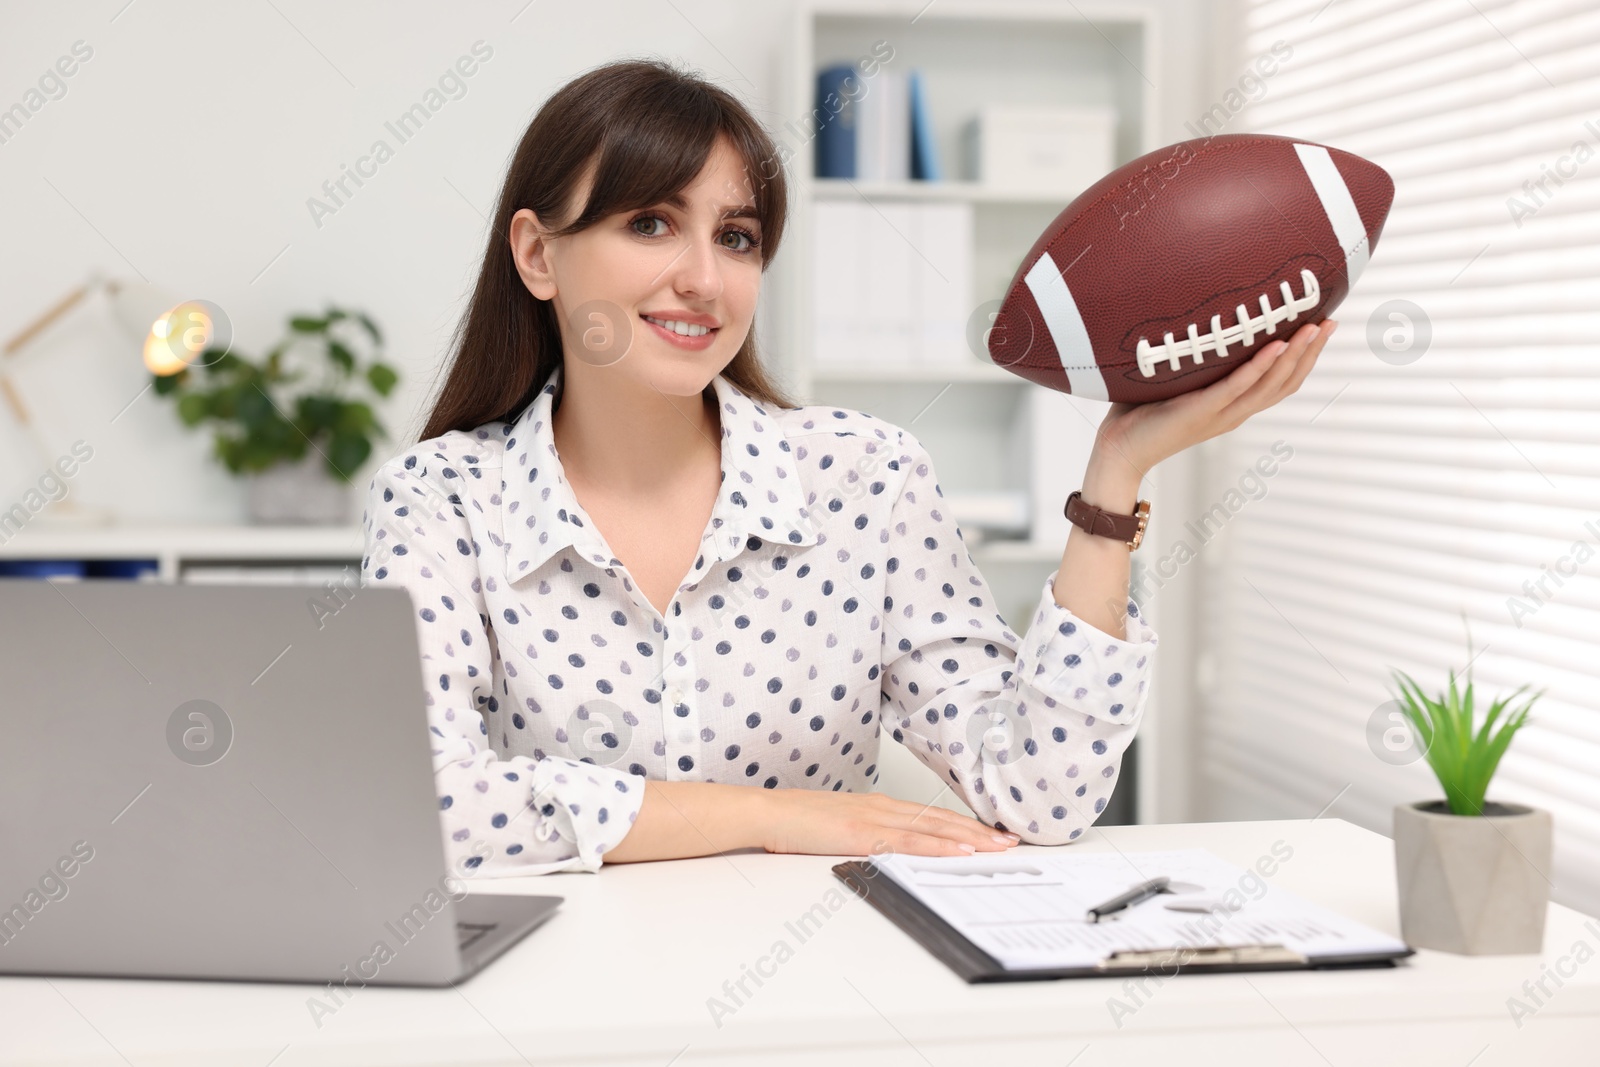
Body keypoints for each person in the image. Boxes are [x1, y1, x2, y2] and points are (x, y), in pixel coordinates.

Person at [359, 58, 1334, 877]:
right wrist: (775, 815)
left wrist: (1116, 469)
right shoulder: (441, 499)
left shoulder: (862, 475)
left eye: (736, 236)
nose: (703, 278)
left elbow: (1041, 792)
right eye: (650, 222)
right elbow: (426, 806)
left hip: (830, 991)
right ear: (537, 253)